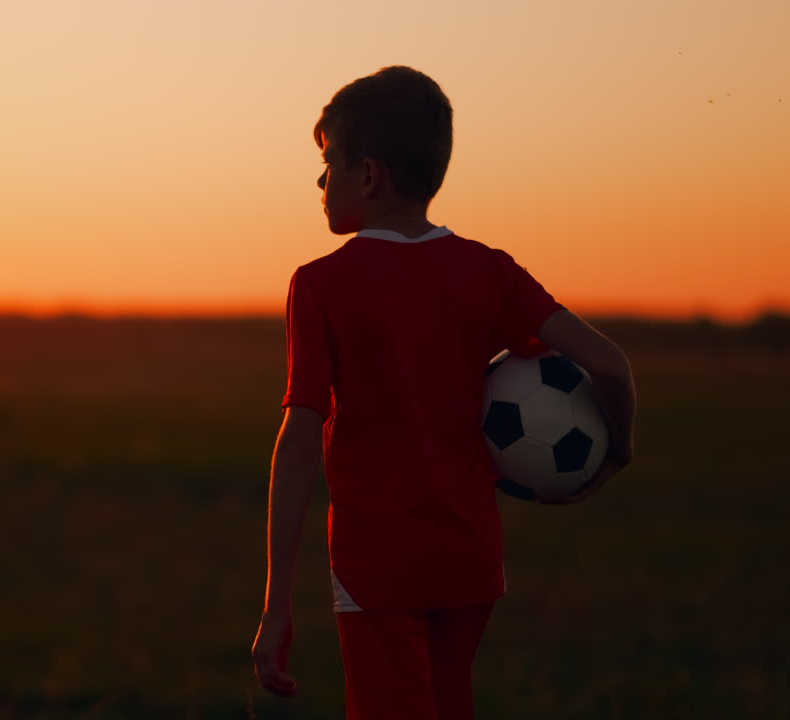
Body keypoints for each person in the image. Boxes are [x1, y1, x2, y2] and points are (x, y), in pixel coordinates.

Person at [250, 66, 637, 719]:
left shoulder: (320, 285)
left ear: (368, 176)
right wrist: (617, 450)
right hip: (470, 564)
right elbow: (611, 365)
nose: (320, 184)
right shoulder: (490, 270)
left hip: (378, 568)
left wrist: (276, 601)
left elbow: (298, 442)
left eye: (327, 164)